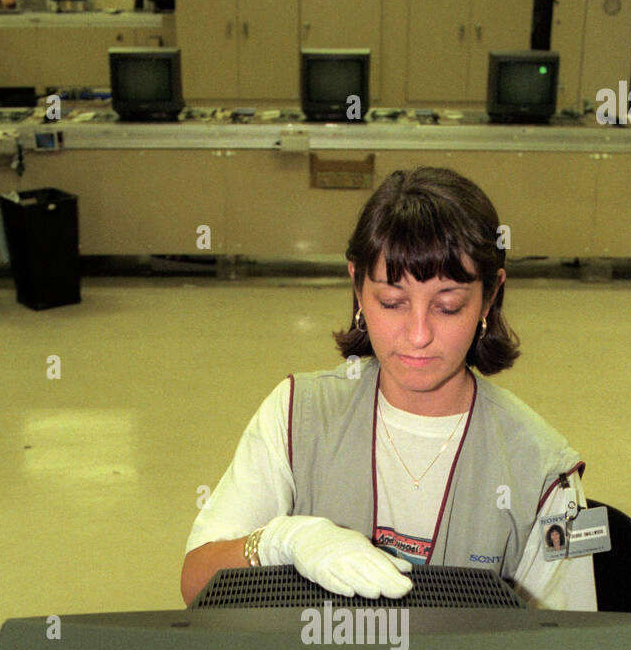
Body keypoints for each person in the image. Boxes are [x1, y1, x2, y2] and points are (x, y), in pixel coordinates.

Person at [181, 166, 596, 610]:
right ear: (357, 287)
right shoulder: (294, 415)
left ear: (489, 297)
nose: (418, 334)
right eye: (392, 302)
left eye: (449, 306)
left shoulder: (545, 472)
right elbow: (196, 584)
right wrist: (279, 541)